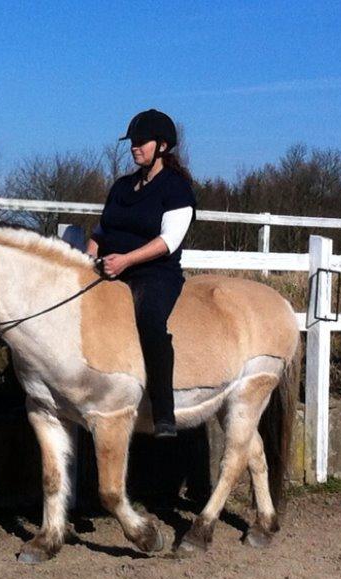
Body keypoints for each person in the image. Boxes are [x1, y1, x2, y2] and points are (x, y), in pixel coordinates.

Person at [87, 109, 196, 438]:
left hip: (154, 274)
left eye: (141, 142)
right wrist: (89, 258)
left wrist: (125, 261)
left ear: (162, 146)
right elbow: (102, 229)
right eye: (132, 142)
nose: (135, 147)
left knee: (150, 321)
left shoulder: (176, 188)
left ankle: (163, 411)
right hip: (110, 268)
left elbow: (168, 241)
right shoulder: (122, 186)